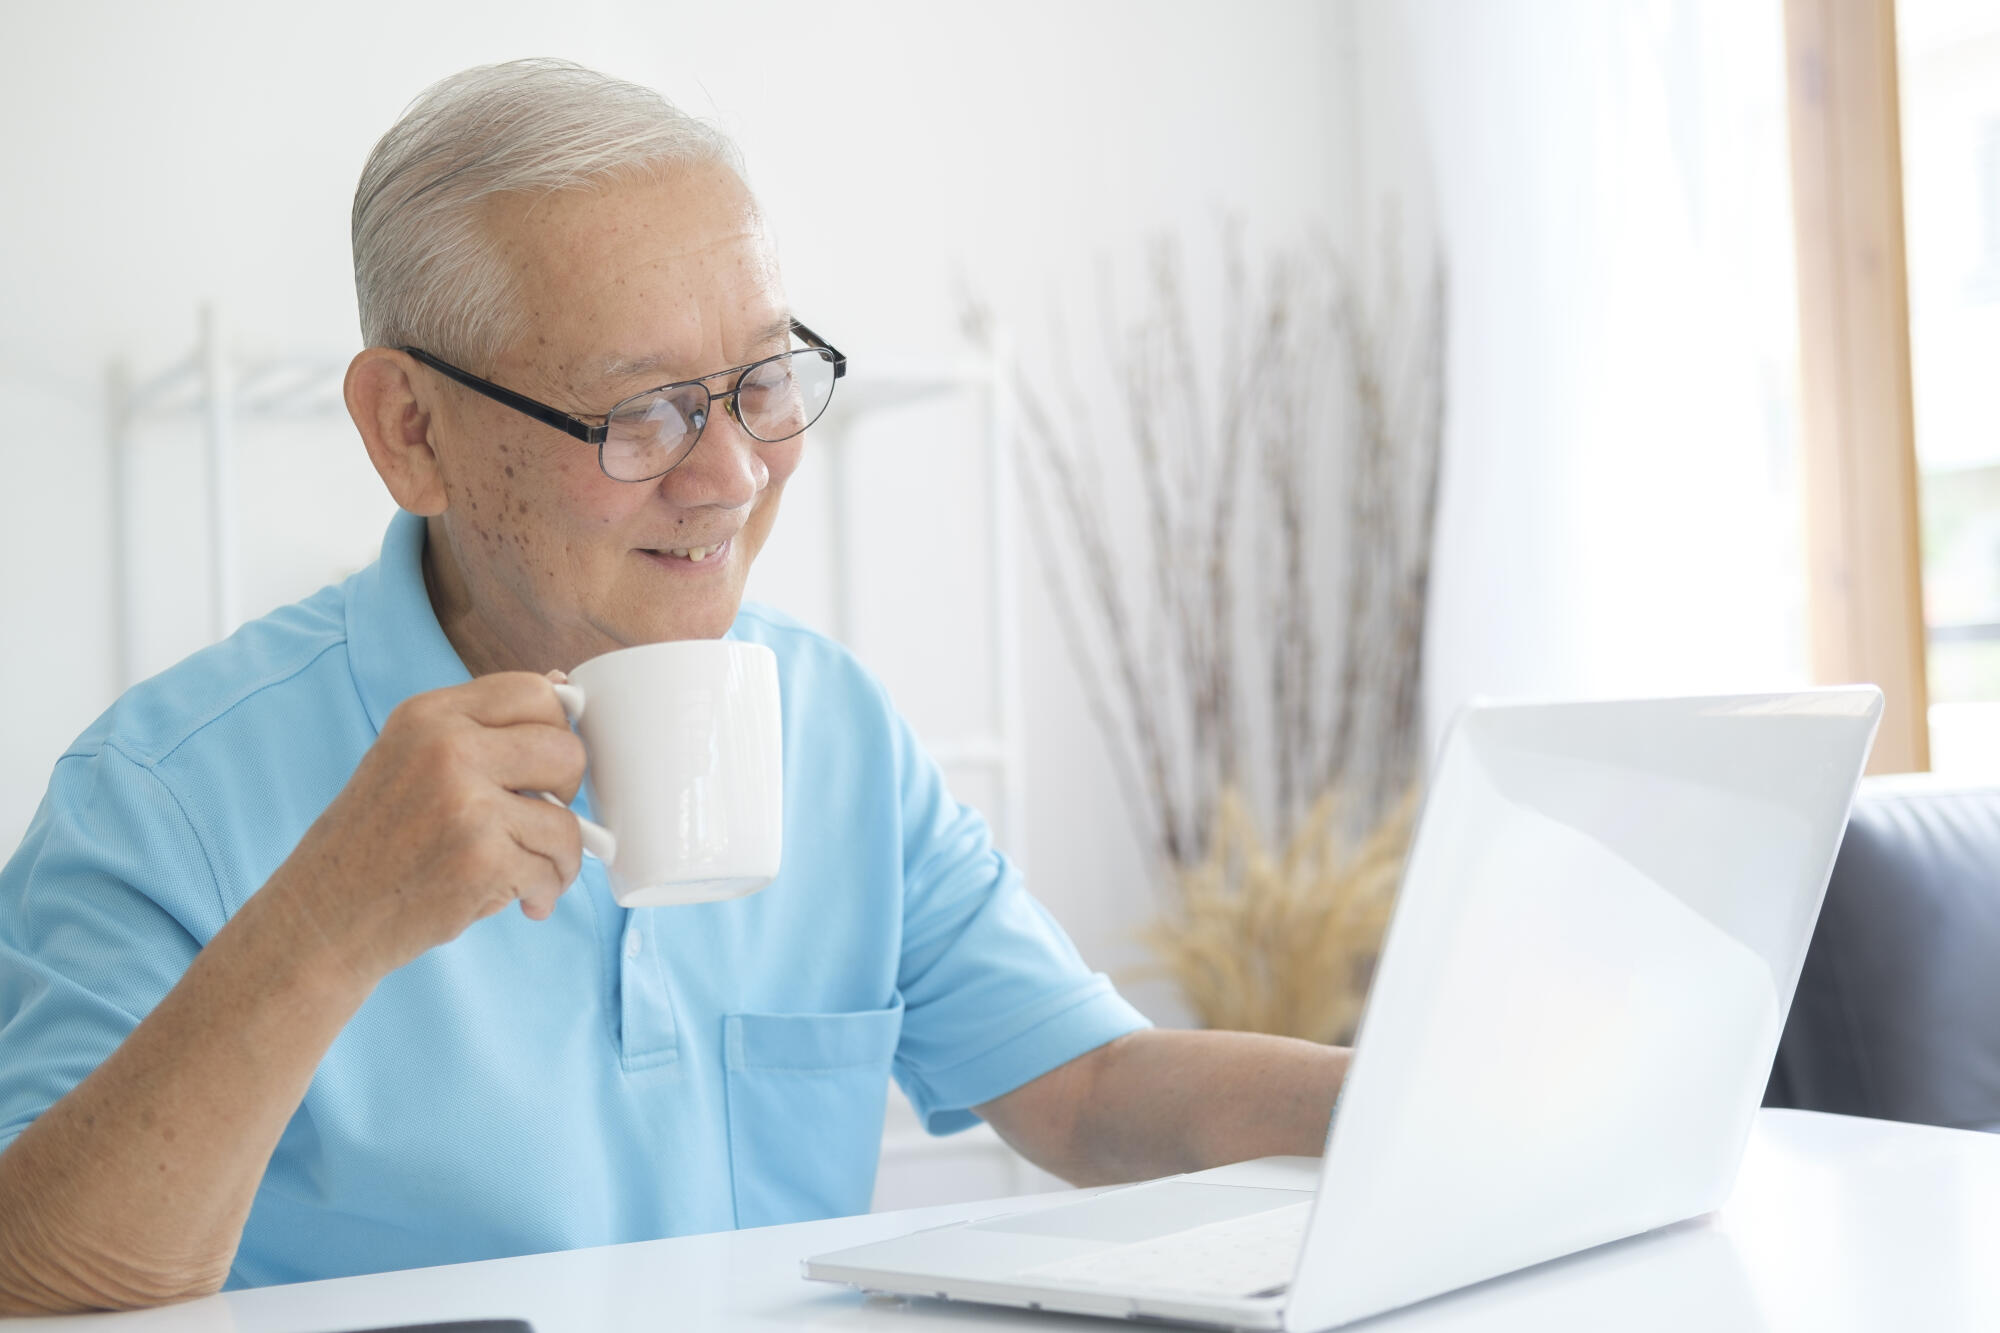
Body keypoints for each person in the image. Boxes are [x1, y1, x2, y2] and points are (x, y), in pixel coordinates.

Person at [0, 60, 1348, 1312]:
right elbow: (39, 1282)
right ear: (411, 430)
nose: (733, 475)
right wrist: (327, 924)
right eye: (637, 413)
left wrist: (1445, 1103)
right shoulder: (160, 797)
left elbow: (1097, 1088)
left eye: (760, 383)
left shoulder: (834, 728)